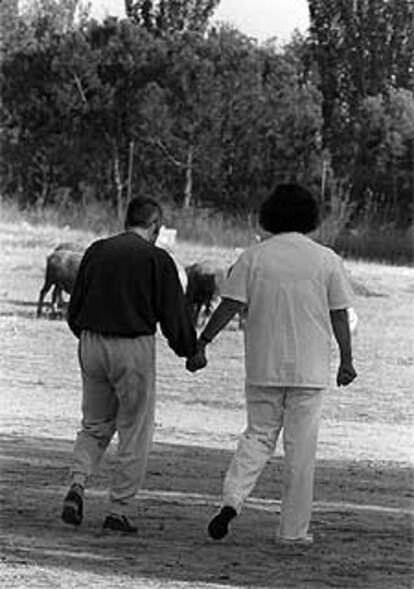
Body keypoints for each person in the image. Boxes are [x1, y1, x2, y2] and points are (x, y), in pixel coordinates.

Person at [187, 183, 357, 545]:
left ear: (270, 215)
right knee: (301, 452)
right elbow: (340, 314)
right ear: (310, 217)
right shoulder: (326, 259)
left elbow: (229, 305)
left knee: (257, 437)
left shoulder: (253, 257)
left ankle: (233, 500)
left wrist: (203, 342)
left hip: (263, 365)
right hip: (309, 371)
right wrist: (346, 359)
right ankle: (292, 532)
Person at [62, 196, 199, 533]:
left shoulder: (96, 250)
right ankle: (118, 509)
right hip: (132, 346)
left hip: (91, 341)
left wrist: (86, 335)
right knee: (135, 429)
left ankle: (77, 484)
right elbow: (173, 315)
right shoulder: (157, 258)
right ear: (155, 225)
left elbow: (74, 305)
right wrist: (190, 351)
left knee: (94, 425)